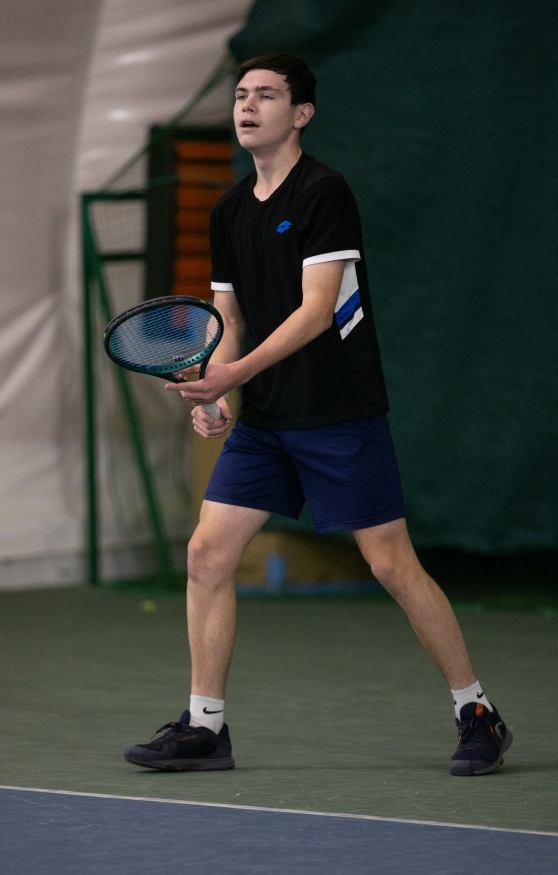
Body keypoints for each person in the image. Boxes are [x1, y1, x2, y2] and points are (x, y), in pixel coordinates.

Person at [124, 53, 512, 776]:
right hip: (267, 421)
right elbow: (230, 316)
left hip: (338, 411)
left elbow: (316, 311)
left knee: (391, 564)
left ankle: (478, 712)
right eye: (241, 95)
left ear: (301, 113)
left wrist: (234, 373)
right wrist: (219, 389)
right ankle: (206, 728)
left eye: (267, 96)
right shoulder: (229, 210)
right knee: (207, 554)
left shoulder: (324, 193)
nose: (248, 106)